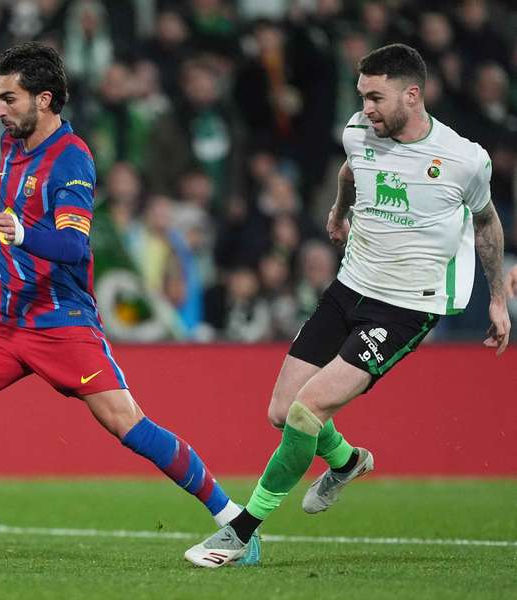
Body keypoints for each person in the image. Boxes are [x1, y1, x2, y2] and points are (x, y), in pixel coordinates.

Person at [0, 42, 259, 565]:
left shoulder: (72, 159)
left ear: (44, 100)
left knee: (129, 426)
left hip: (61, 323)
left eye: (9, 98)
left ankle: (235, 522)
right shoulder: (11, 145)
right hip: (7, 321)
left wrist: (23, 232)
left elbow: (74, 245)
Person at [185, 43, 510, 567]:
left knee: (306, 410)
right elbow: (350, 170)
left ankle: (240, 533)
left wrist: (497, 299)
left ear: (412, 93)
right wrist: (339, 211)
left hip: (404, 307)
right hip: (349, 287)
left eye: (376, 97)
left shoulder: (463, 159)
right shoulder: (360, 130)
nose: (366, 108)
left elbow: (488, 222)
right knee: (279, 413)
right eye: (362, 95)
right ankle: (346, 462)